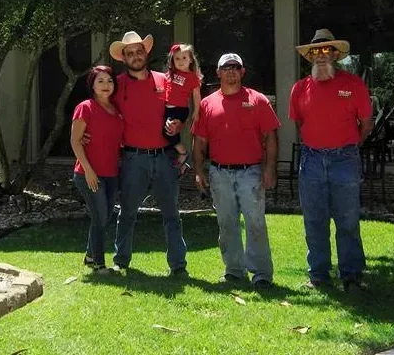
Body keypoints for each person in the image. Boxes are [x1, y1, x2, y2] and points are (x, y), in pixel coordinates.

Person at [289, 29, 373, 291]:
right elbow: (300, 122)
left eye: (327, 50)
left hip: (344, 159)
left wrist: (347, 147)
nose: (321, 55)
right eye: (316, 51)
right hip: (311, 160)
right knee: (314, 220)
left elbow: (366, 124)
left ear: (335, 54)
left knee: (347, 220)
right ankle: (319, 276)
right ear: (310, 57)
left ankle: (351, 276)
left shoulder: (354, 85)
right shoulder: (300, 89)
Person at [192, 53, 280, 290]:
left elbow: (271, 136)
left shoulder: (258, 100)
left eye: (235, 67)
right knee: (227, 223)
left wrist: (270, 168)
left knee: (255, 223)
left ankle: (261, 273)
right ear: (218, 73)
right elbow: (199, 141)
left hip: (251, 172)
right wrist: (199, 171)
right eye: (226, 67)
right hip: (219, 173)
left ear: (242, 72)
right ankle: (234, 271)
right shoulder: (207, 104)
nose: (231, 71)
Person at [108, 31, 188, 276]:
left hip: (165, 157)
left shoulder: (165, 80)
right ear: (124, 58)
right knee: (128, 213)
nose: (135, 56)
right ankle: (121, 260)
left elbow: (179, 111)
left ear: (146, 52)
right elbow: (101, 110)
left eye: (139, 51)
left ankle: (178, 266)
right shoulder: (116, 84)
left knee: (172, 214)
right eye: (130, 53)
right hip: (133, 159)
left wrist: (178, 126)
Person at [70, 65, 124, 274]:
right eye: (100, 81)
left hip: (111, 173)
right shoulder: (85, 107)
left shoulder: (116, 110)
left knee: (104, 217)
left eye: (109, 81)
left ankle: (91, 255)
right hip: (88, 174)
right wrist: (89, 171)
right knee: (100, 218)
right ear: (92, 85)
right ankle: (99, 265)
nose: (106, 85)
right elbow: (75, 141)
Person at [164, 43, 202, 173]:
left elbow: (196, 95)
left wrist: (196, 111)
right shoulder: (170, 74)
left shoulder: (192, 77)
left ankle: (183, 153)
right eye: (177, 58)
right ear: (172, 60)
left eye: (184, 58)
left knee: (168, 132)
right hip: (167, 108)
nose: (180, 61)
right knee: (165, 133)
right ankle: (182, 166)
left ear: (191, 59)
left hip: (179, 109)